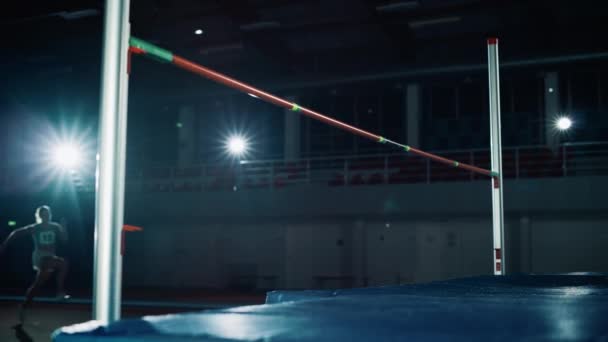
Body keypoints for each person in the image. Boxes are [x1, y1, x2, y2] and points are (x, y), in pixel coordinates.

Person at [0, 205, 70, 325]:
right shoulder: (35, 228)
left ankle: (23, 306)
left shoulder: (55, 226)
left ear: (50, 215)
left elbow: (64, 240)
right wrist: (4, 244)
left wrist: (64, 227)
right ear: (39, 216)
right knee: (63, 263)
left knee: (37, 286)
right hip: (40, 257)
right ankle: (60, 292)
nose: (46, 216)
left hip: (51, 257)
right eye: (43, 214)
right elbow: (16, 232)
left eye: (47, 214)